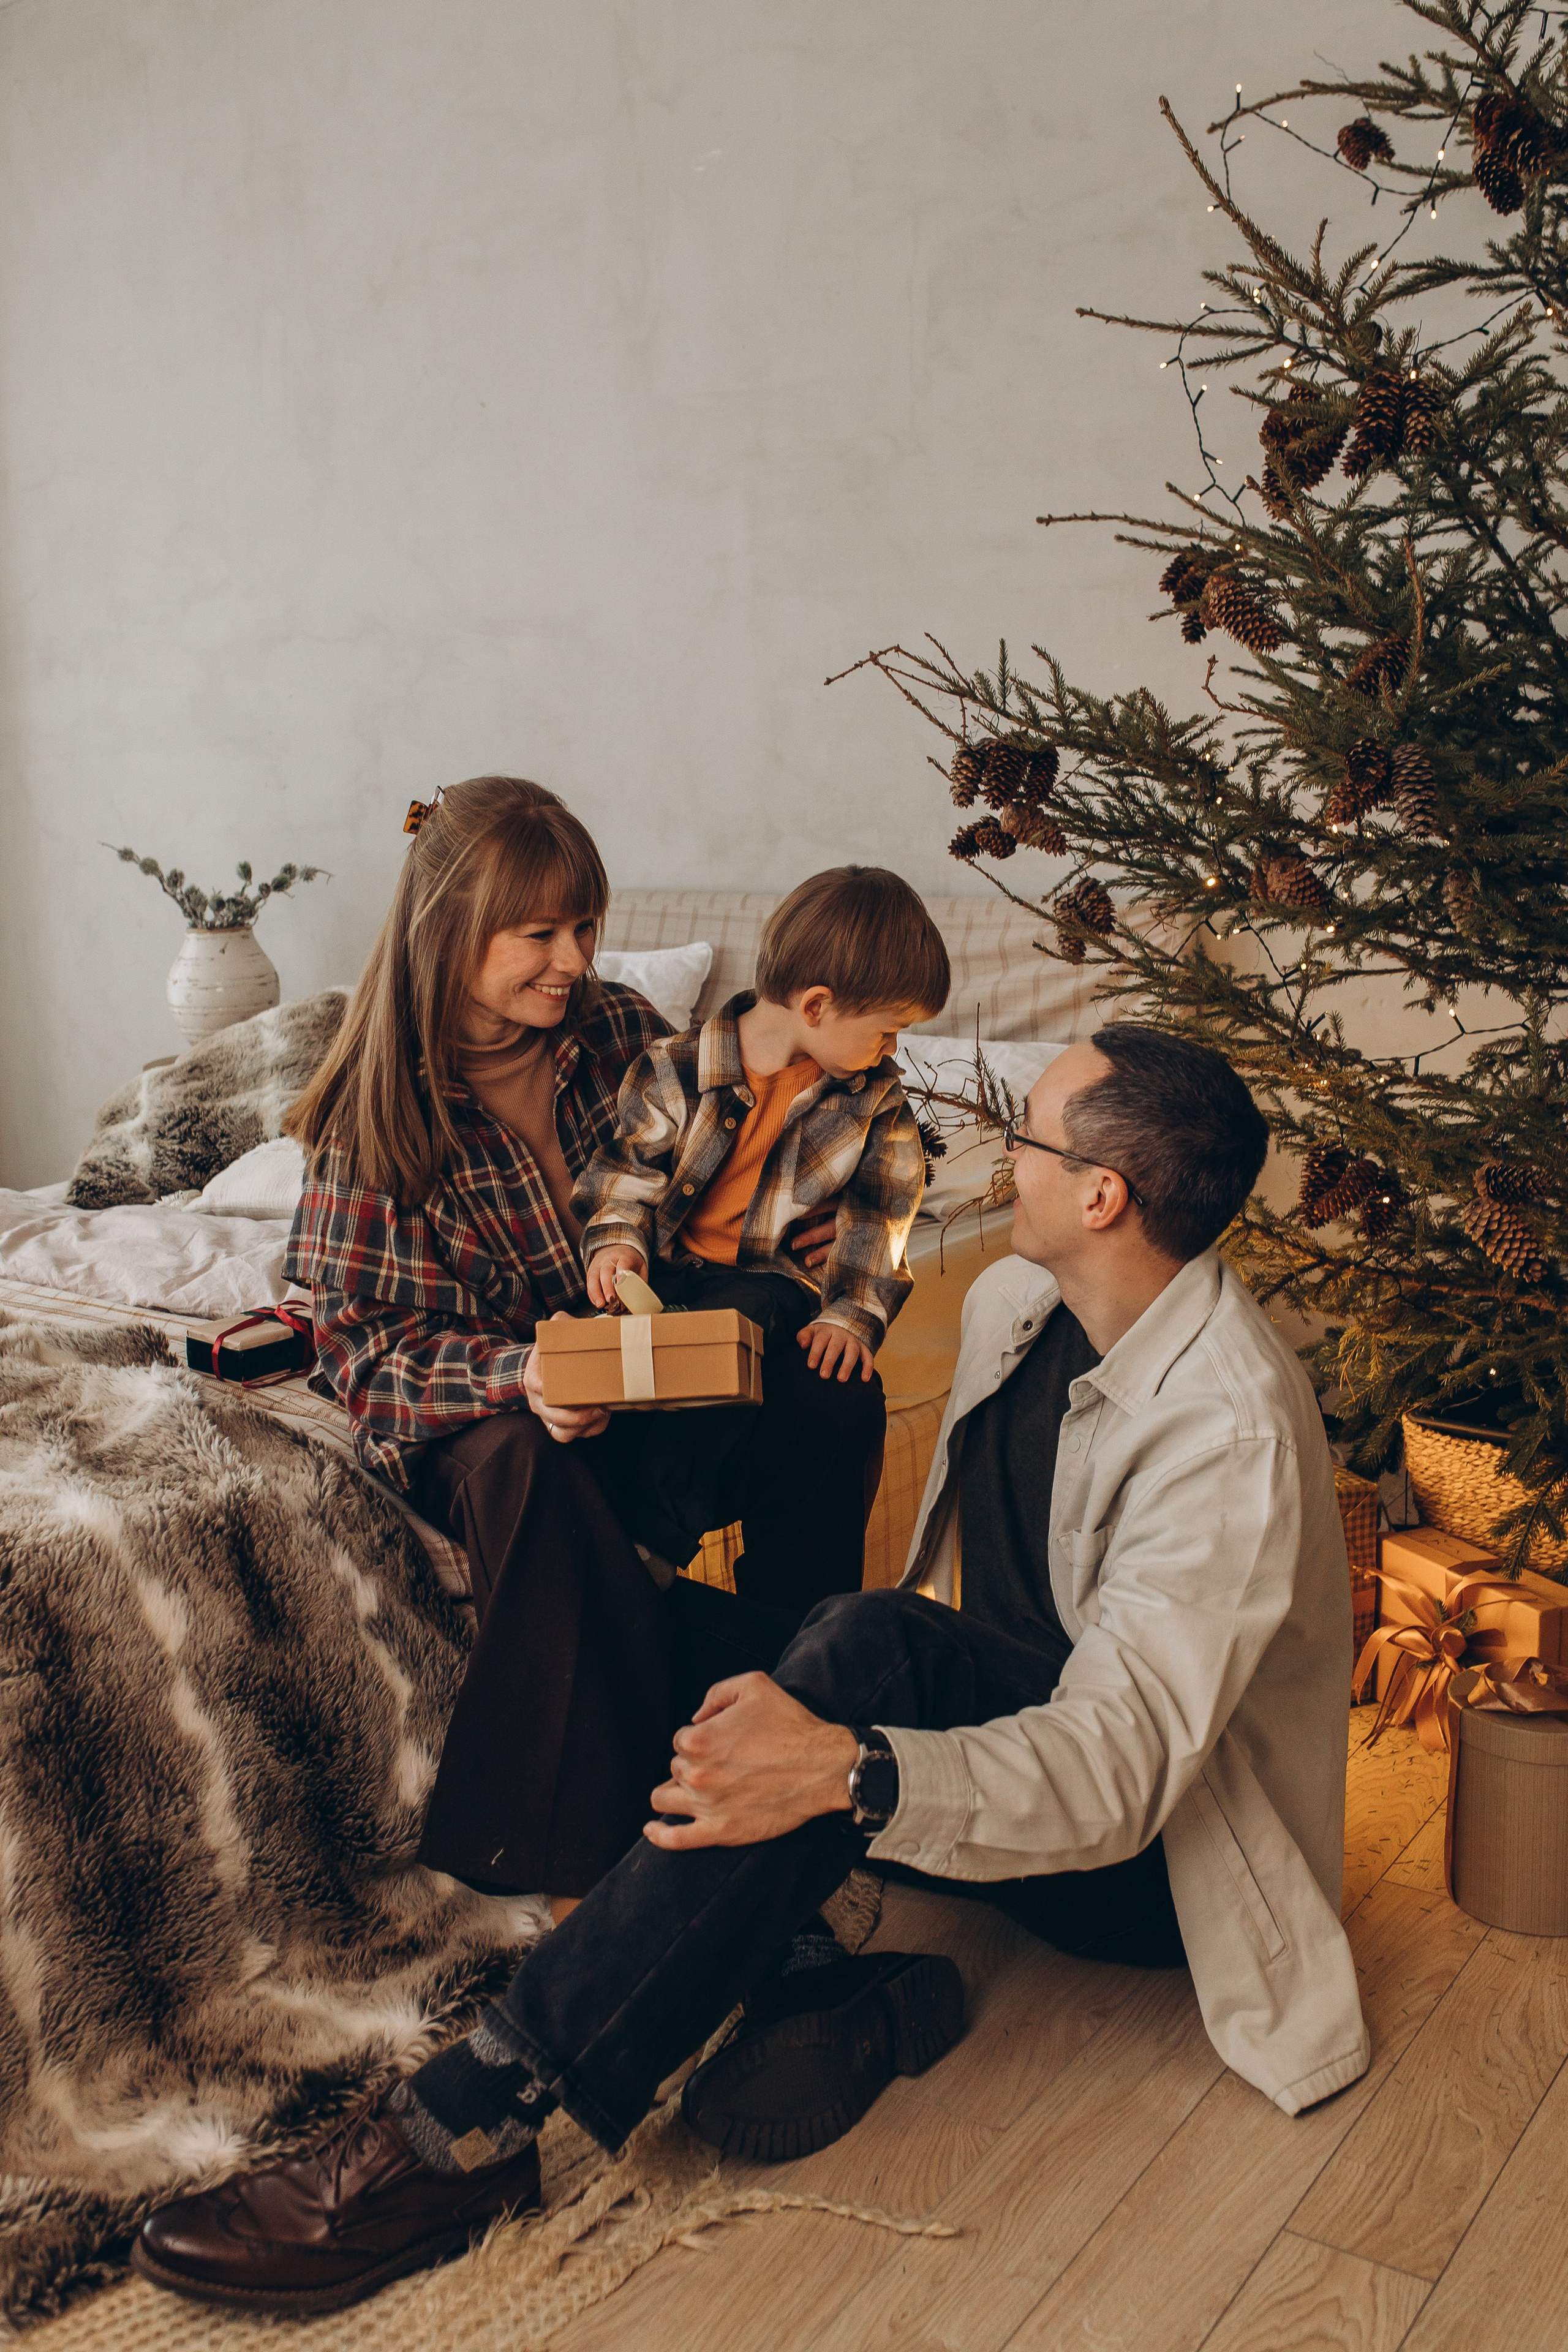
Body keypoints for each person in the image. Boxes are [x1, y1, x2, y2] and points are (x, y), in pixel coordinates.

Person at [137, 1023, 1371, 2318]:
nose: (1002, 1156)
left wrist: (849, 1769)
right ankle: (795, 1964)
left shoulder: (1224, 1433)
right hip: (1019, 1760)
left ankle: (472, 2122)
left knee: (866, 1650)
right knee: (656, 1632)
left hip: (1159, 1868)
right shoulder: (1020, 1304)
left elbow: (1123, 1774)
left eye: (1028, 1138)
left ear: (1102, 1196)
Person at [281, 775, 852, 1918]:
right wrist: (524, 1375)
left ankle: (809, 1695)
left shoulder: (621, 1031)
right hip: (490, 1409)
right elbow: (369, 1359)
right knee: (531, 1463)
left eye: (586, 927)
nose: (574, 960)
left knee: (825, 1375)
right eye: (539, 935)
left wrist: (790, 1223)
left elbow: (708, 1193)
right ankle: (586, 1880)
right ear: (450, 927)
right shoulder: (376, 1117)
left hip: (630, 1367)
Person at [570, 865, 949, 1603]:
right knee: (609, 1350)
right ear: (817, 1005)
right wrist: (617, 1240)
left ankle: (655, 1542)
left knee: (725, 1344)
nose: (892, 1050)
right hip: (669, 1271)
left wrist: (850, 1316)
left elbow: (881, 1217)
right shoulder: (674, 1068)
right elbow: (626, 1170)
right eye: (887, 1030)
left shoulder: (876, 1105)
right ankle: (583, 1551)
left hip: (770, 1286)